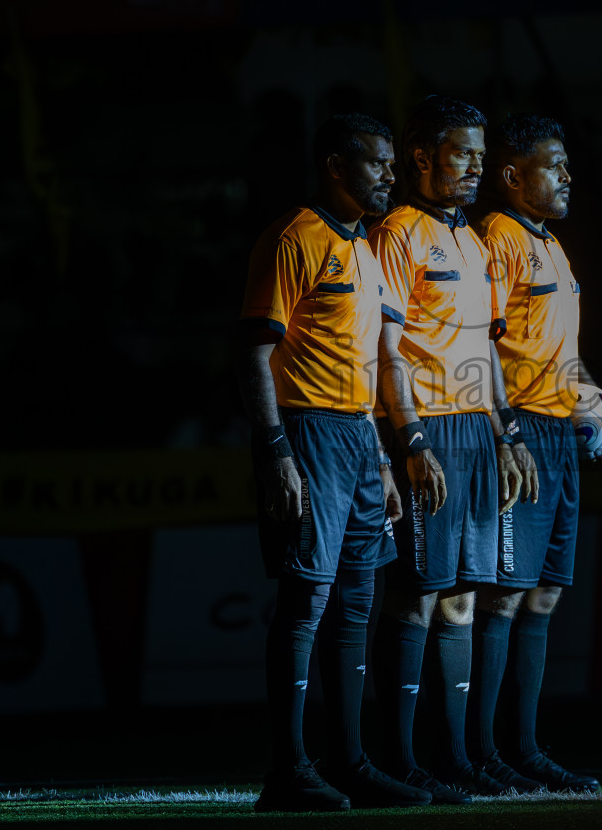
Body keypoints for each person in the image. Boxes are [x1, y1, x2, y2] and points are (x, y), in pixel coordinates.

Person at [236, 114, 434, 812]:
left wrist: (381, 454)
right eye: (377, 163)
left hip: (355, 437)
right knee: (307, 600)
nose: (390, 175)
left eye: (391, 164)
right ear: (334, 167)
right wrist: (276, 452)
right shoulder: (295, 238)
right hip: (308, 434)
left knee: (357, 601)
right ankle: (286, 771)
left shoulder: (369, 251)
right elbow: (257, 353)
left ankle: (349, 763)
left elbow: (373, 361)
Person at [369, 96, 538, 802]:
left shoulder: (471, 239)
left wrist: (506, 431)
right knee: (414, 597)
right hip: (425, 428)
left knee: (461, 600)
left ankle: (458, 757)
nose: (475, 166)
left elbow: (487, 348)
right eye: (461, 153)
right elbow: (382, 346)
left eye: (478, 154)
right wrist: (408, 439)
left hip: (475, 426)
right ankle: (397, 759)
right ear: (421, 158)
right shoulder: (399, 233)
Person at [470, 114, 602, 792]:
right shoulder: (497, 240)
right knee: (501, 599)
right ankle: (479, 754)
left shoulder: (552, 245)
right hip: (521, 432)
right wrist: (505, 433)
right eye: (552, 164)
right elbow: (479, 343)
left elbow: (559, 348)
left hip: (562, 432)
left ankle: (526, 750)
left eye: (567, 164)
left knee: (544, 596)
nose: (567, 176)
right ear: (511, 176)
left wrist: (593, 395)